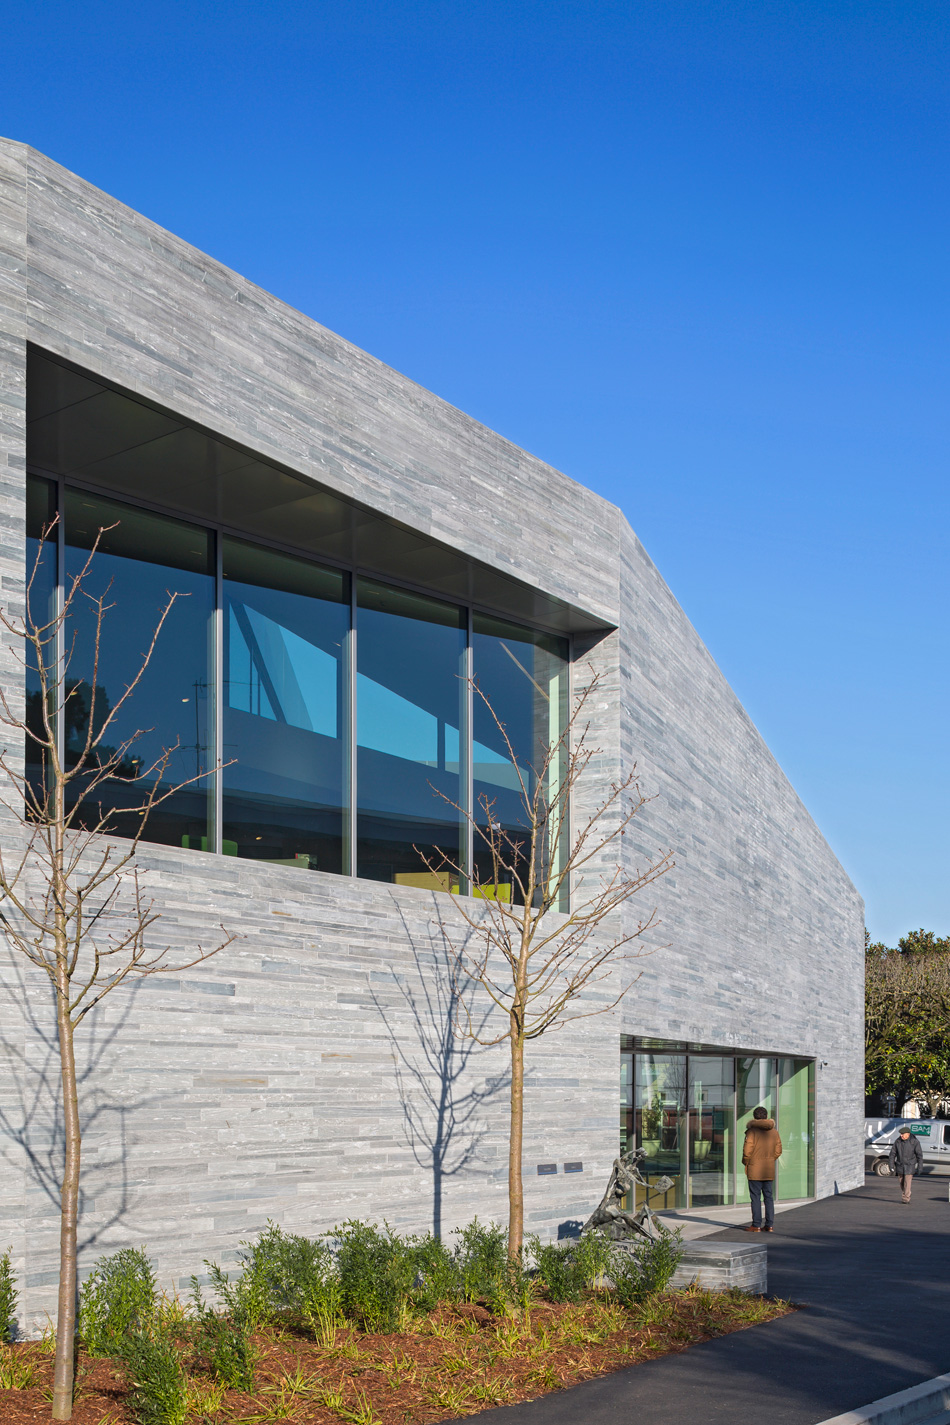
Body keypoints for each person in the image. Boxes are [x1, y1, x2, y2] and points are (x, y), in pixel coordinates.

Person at [742, 1106, 782, 1233]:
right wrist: (770, 1159)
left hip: (755, 1168)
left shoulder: (752, 1131)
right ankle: (769, 1225)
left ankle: (756, 1225)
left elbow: (747, 1152)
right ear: (766, 1116)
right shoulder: (774, 1132)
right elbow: (778, 1151)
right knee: (768, 1197)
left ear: (755, 1117)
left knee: (755, 1197)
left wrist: (746, 1162)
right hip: (768, 1168)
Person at [888, 1127, 923, 1203]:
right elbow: (892, 1154)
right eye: (901, 1134)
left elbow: (919, 1155)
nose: (901, 1135)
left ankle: (906, 1198)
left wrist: (920, 1167)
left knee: (907, 1182)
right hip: (900, 1165)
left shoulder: (915, 1142)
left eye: (902, 1134)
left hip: (910, 1165)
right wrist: (891, 1165)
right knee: (901, 1182)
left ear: (908, 1134)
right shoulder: (898, 1142)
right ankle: (907, 1193)